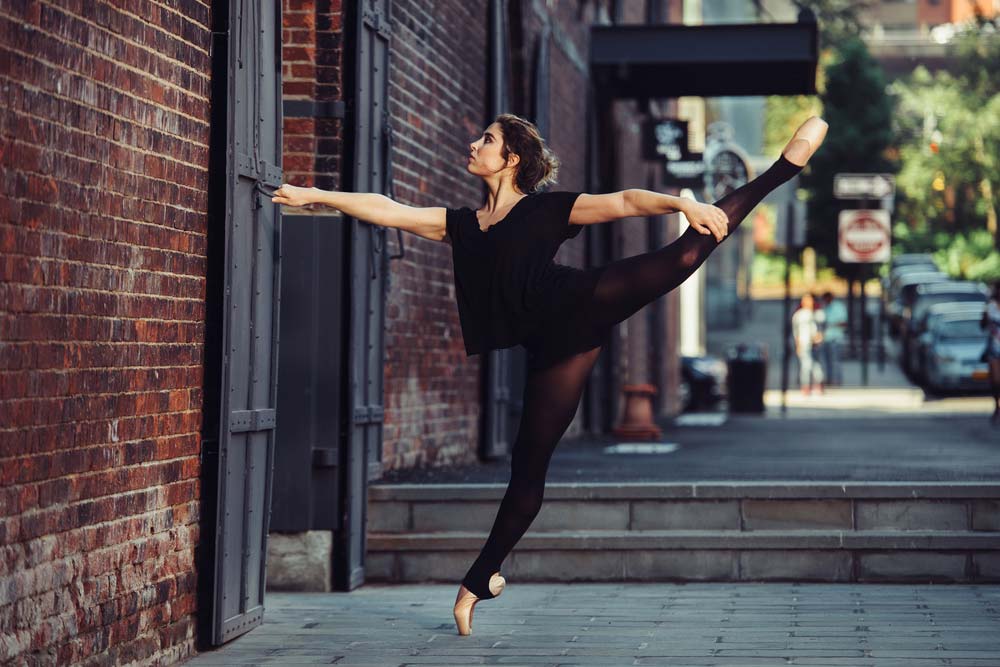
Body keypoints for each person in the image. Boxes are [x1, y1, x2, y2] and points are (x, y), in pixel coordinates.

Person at [271, 113, 829, 635]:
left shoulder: (548, 210)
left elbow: (625, 201)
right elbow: (387, 208)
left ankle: (784, 169)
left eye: (486, 139)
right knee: (527, 466)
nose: (474, 145)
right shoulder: (461, 226)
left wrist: (681, 204)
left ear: (511, 158)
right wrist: (315, 195)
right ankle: (479, 581)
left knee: (687, 254)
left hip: (586, 302)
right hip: (554, 351)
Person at [792, 293, 825, 394]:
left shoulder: (818, 314)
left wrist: (819, 336)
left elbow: (822, 327)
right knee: (806, 365)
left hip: (815, 344)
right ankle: (805, 386)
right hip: (804, 342)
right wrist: (798, 344)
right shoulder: (799, 315)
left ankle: (819, 383)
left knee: (816, 364)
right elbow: (796, 331)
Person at [980, 281, 1000, 423]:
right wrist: (986, 315)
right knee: (995, 380)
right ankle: (997, 406)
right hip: (994, 347)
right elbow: (982, 325)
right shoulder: (991, 307)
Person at [819, 291, 846, 386]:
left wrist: (831, 324)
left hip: (836, 338)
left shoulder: (838, 307)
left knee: (836, 361)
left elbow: (843, 322)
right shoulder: (824, 307)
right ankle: (830, 380)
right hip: (826, 338)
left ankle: (837, 380)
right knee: (827, 361)